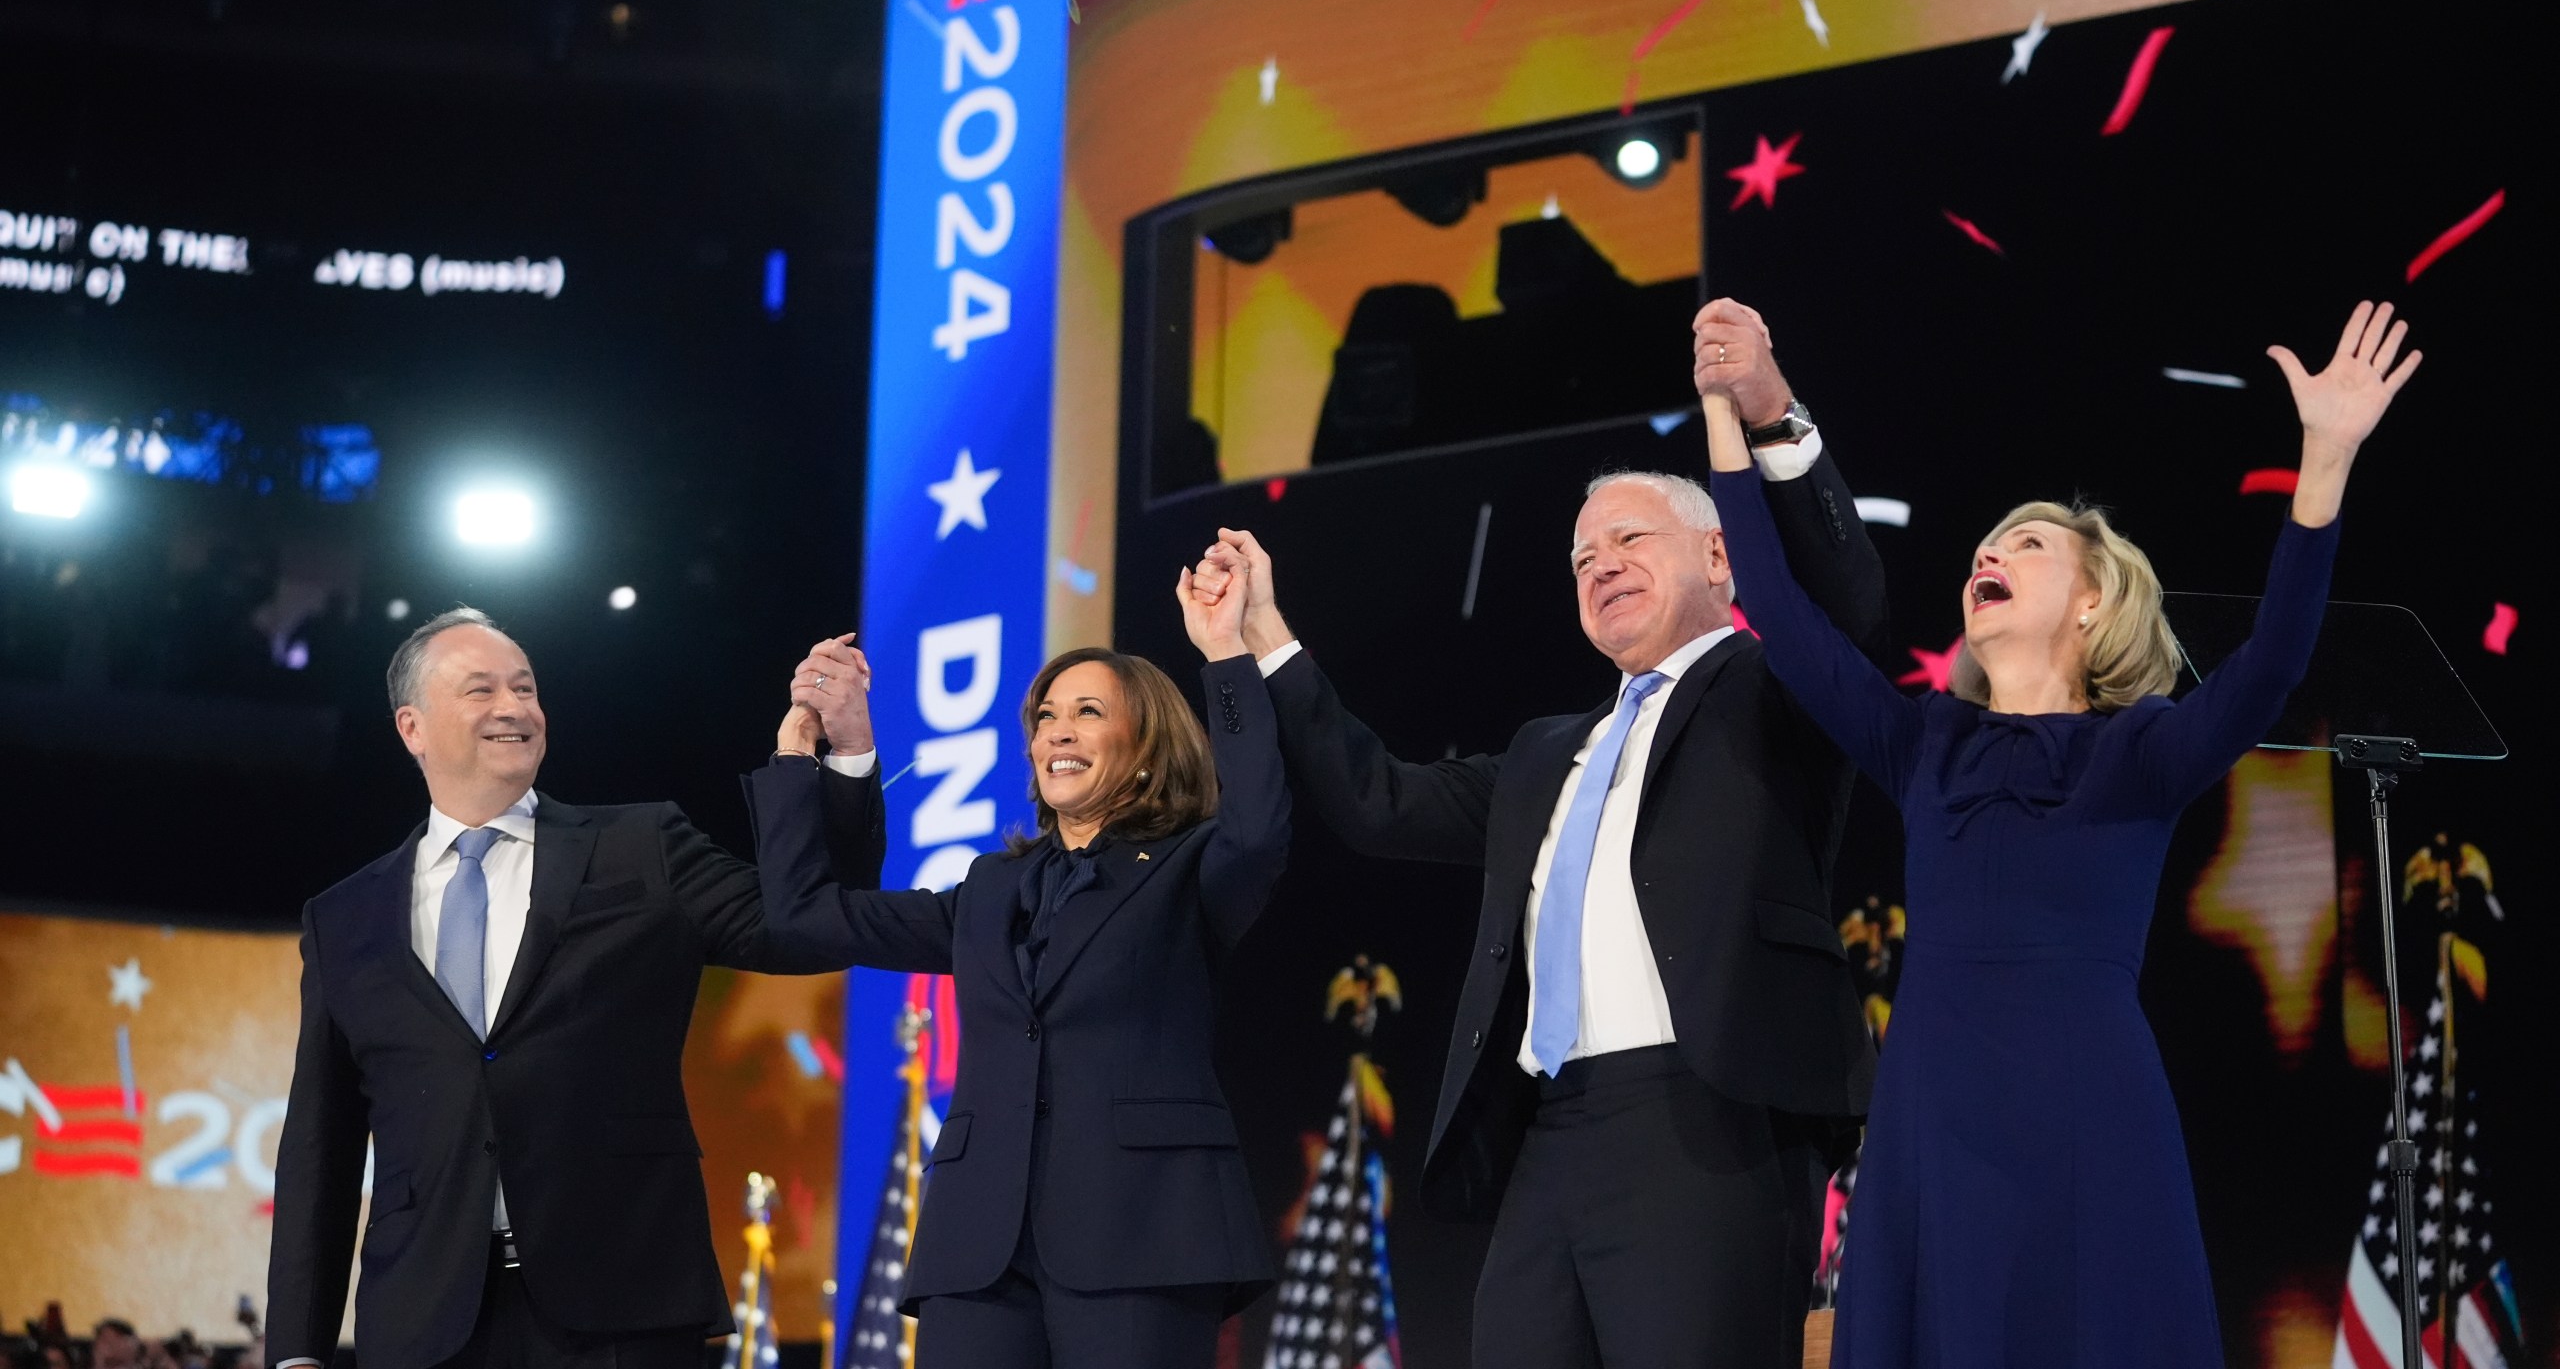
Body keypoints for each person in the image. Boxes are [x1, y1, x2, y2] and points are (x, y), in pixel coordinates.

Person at [1696, 301, 2419, 1366]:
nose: (1988, 552)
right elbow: (1774, 603)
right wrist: (1722, 405)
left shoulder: (2146, 753)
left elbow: (2270, 666)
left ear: (2090, 603)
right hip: (1929, 1118)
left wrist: (2326, 457)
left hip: (2086, 1108)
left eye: (2025, 545)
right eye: (1986, 546)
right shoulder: (1923, 743)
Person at [1189, 299, 1887, 1368]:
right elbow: (1377, 802)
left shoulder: (1775, 690)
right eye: (1578, 557)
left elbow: (1837, 597)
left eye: (1627, 538)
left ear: (1719, 554)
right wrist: (1265, 639)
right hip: (1547, 1131)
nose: (1597, 562)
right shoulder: (1544, 751)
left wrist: (1771, 412)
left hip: (1707, 1116)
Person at [266, 607, 875, 1369]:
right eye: (481, 689)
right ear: (412, 727)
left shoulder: (640, 847)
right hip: (424, 1325)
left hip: (621, 1311)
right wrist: (296, 1351)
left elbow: (814, 926)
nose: (514, 707)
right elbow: (319, 1147)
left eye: (526, 688)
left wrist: (841, 755)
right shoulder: (342, 918)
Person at [747, 562, 1289, 1368]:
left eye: (1088, 713)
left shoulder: (1192, 870)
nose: (1057, 732)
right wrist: (821, 752)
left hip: (1144, 1238)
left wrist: (1224, 654)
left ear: (1144, 748)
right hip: (980, 1252)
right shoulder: (989, 890)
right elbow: (804, 918)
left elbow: (1259, 824)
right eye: (1046, 716)